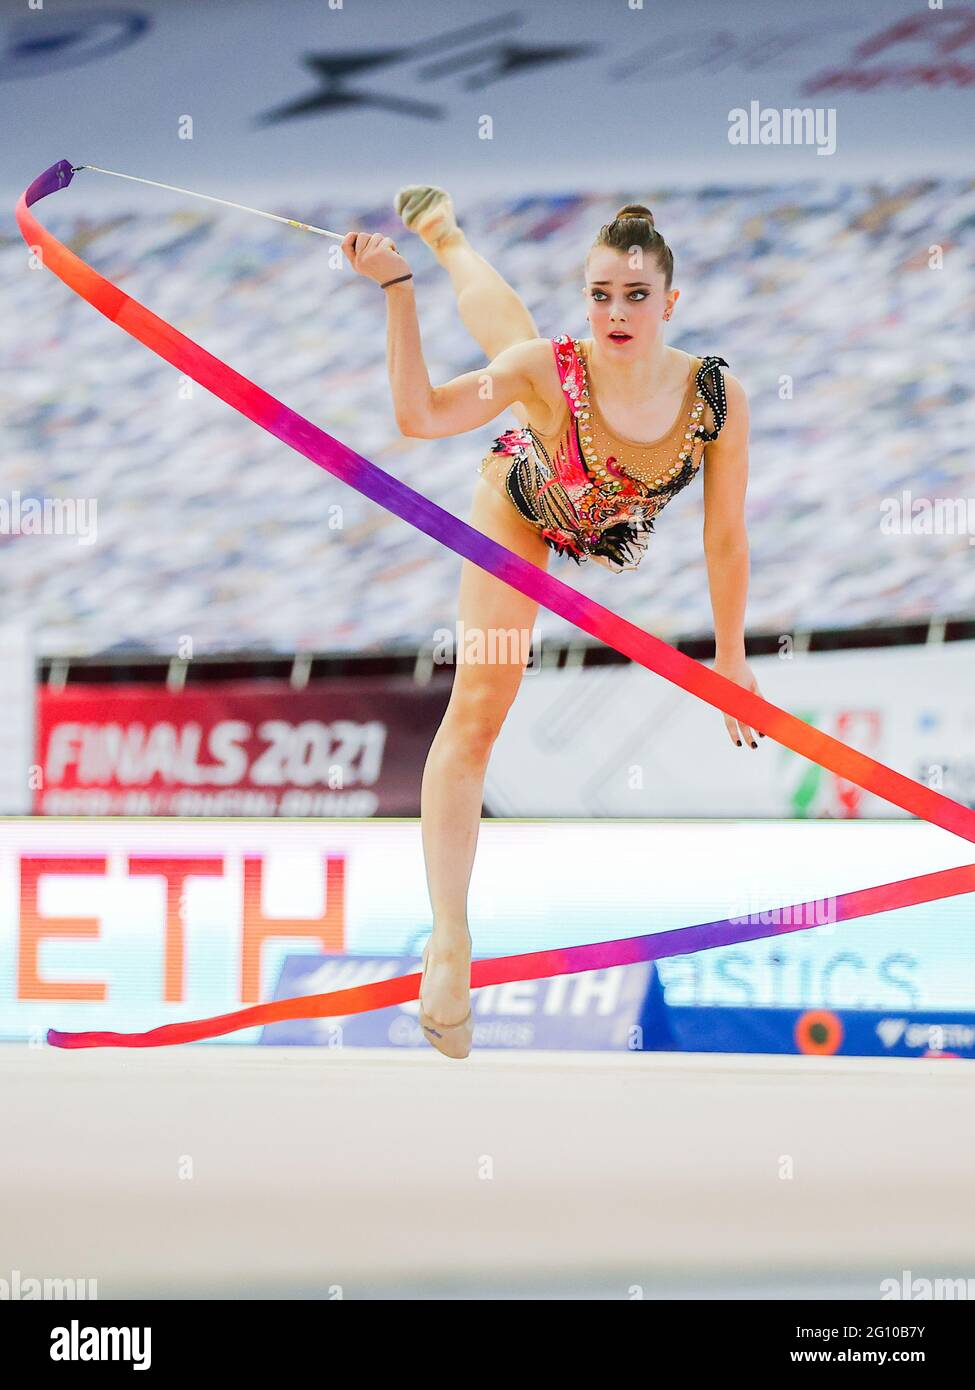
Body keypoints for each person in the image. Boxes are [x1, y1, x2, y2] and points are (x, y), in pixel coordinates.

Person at [341, 188, 762, 1059]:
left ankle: (451, 230)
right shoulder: (553, 363)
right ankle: (447, 939)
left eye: (635, 295)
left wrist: (730, 658)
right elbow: (419, 418)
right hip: (520, 507)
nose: (615, 312)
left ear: (669, 302)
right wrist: (396, 291)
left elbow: (725, 536)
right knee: (480, 710)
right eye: (600, 294)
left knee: (521, 354)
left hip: (586, 487)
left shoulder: (714, 396)